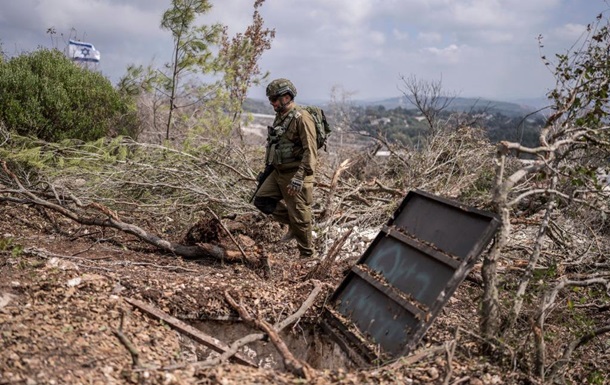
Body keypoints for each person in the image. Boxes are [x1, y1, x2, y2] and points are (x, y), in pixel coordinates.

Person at [253, 78, 318, 258]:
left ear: (287, 97)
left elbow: (310, 151)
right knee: (262, 200)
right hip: (279, 171)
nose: (272, 103)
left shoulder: (302, 118)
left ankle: (308, 256)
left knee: (300, 215)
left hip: (296, 173)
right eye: (271, 100)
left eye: (274, 99)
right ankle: (294, 225)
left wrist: (299, 177)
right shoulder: (281, 116)